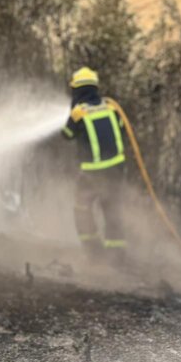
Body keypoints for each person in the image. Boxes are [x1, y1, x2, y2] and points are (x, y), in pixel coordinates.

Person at [61, 67, 129, 267]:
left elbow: (66, 135)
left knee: (82, 209)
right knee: (112, 210)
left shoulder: (78, 113)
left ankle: (94, 255)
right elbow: (123, 131)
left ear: (77, 91)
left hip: (92, 173)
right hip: (116, 170)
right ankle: (117, 258)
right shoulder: (111, 108)